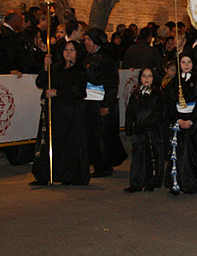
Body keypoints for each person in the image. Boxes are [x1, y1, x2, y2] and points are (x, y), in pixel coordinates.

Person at [30, 40, 90, 186]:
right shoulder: (56, 68)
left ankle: (68, 175)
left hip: (69, 113)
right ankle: (44, 175)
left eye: (72, 50)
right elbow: (41, 82)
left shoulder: (80, 71)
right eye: (66, 50)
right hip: (54, 111)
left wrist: (58, 93)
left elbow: (79, 92)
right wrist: (45, 68)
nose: (68, 52)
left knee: (67, 145)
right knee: (49, 142)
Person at [83, 28, 127, 178]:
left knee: (103, 136)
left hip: (101, 101)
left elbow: (111, 83)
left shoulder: (106, 58)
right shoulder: (89, 56)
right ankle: (99, 163)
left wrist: (106, 104)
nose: (86, 43)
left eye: (88, 40)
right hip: (89, 100)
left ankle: (104, 166)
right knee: (94, 136)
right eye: (85, 40)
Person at [165, 52, 197, 195]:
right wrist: (177, 119)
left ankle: (192, 184)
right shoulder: (174, 83)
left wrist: (191, 120)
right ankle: (177, 183)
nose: (186, 65)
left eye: (189, 62)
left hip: (193, 121)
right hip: (178, 121)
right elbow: (169, 103)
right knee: (178, 153)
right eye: (183, 62)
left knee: (192, 154)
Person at [124, 68, 166, 192]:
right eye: (144, 76)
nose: (146, 79)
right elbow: (130, 110)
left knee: (152, 156)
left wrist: (145, 124)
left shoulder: (157, 94)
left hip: (152, 131)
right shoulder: (135, 95)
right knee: (138, 157)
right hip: (139, 131)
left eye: (150, 76)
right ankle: (136, 182)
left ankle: (151, 182)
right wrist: (132, 124)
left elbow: (158, 113)